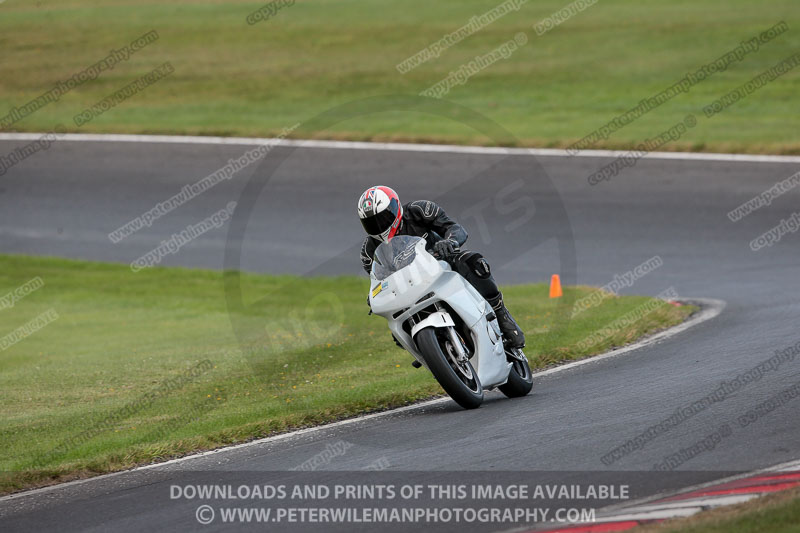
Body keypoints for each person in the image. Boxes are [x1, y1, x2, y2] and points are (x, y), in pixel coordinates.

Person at [357, 185, 525, 348]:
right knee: (397, 334)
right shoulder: (368, 251)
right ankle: (430, 353)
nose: (379, 225)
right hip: (410, 289)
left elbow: (455, 228)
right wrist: (375, 294)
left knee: (473, 261)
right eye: (372, 222)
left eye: (383, 218)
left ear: (395, 208)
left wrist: (449, 241)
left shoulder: (419, 210)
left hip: (443, 266)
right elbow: (378, 279)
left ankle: (501, 314)